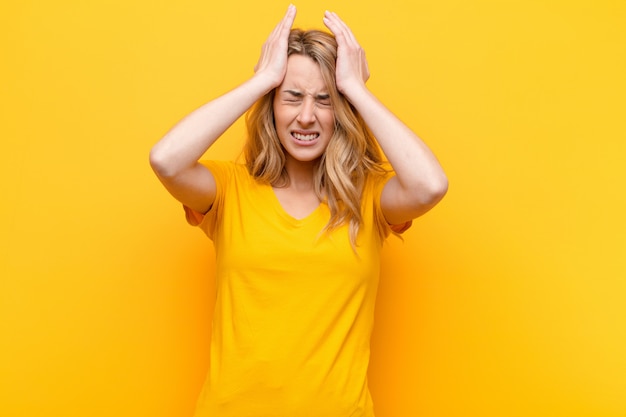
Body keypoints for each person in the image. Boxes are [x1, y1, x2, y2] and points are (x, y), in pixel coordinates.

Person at [150, 5, 447, 417]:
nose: (307, 116)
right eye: (292, 97)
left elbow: (430, 185)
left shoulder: (369, 198)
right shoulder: (230, 191)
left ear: (341, 112)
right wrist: (262, 81)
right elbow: (166, 159)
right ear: (272, 106)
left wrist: (356, 89)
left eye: (325, 100)